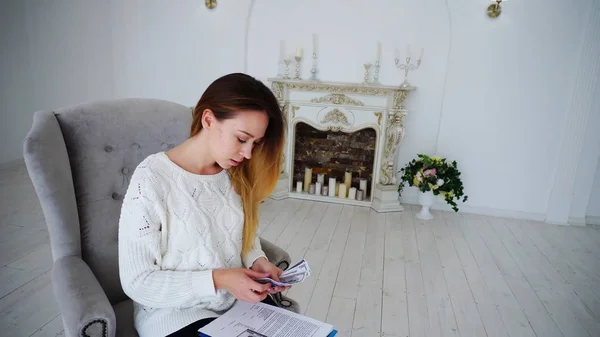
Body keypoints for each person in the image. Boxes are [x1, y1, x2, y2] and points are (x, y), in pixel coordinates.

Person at [118, 73, 290, 337]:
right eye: (242, 139)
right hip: (174, 315)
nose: (247, 154)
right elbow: (138, 282)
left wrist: (257, 260)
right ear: (208, 119)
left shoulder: (234, 173)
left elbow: (244, 236)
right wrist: (219, 279)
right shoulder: (151, 179)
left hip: (237, 304)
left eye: (255, 143)